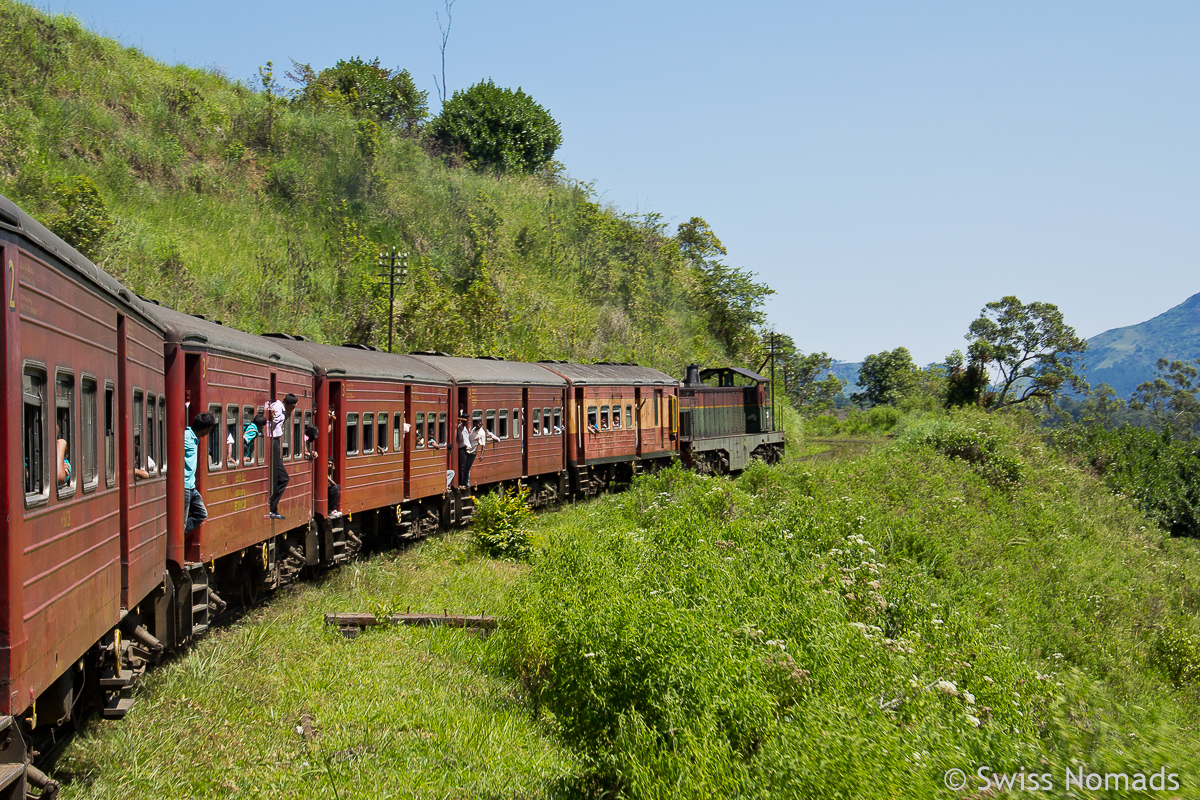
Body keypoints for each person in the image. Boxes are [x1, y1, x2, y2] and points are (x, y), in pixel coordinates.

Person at [184, 412, 216, 533]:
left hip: (191, 486)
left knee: (202, 514)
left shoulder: (194, 438)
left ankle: (181, 531)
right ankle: (178, 536)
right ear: (206, 428)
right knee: (181, 522)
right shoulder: (186, 437)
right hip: (184, 486)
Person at [267, 393, 297, 520]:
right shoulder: (278, 408)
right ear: (291, 404)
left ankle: (273, 506)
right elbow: (272, 422)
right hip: (273, 441)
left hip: (275, 442)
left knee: (282, 477)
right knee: (283, 477)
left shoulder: (281, 408)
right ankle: (272, 505)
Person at [456, 415, 476, 488]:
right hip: (462, 448)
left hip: (466, 449)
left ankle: (464, 481)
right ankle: (462, 482)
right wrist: (461, 420)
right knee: (462, 466)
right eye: (467, 420)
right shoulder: (460, 427)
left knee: (465, 466)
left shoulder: (464, 428)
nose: (469, 421)